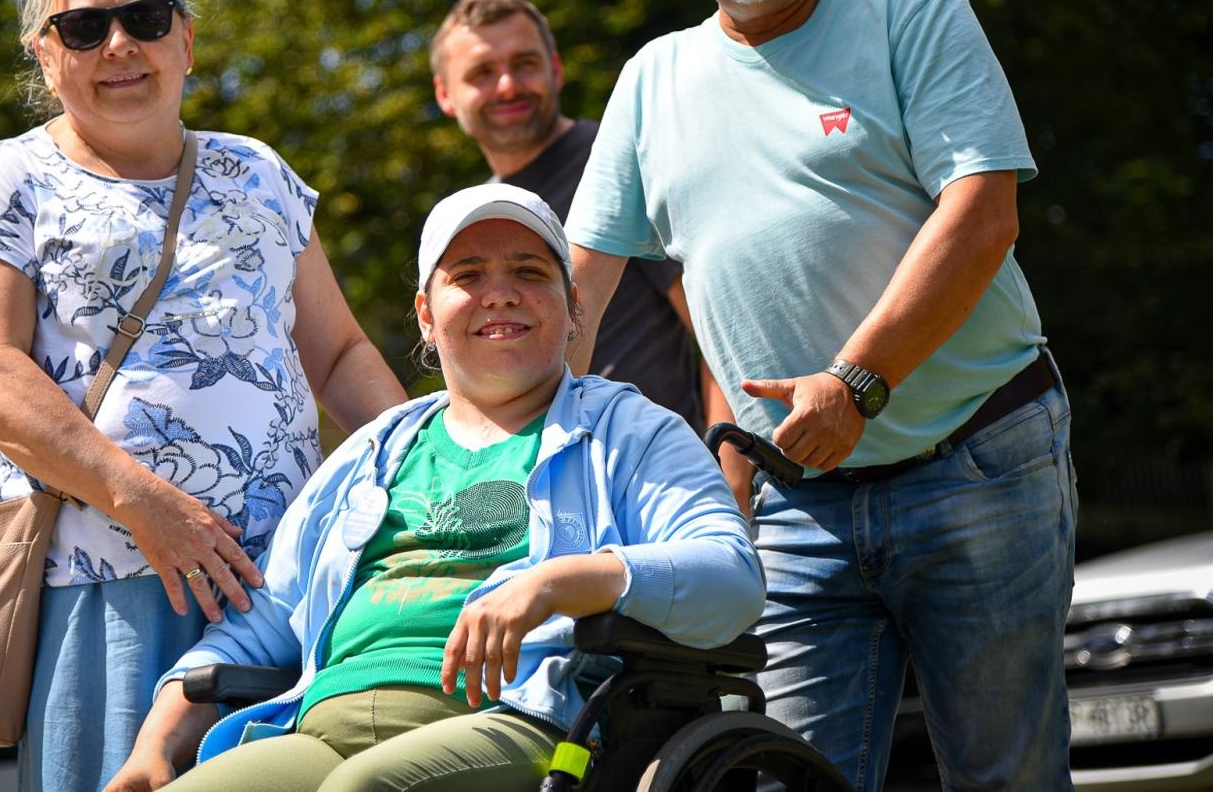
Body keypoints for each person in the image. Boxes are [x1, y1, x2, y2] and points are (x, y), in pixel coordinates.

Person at [564, 0, 1076, 790]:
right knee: (777, 778)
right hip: (793, 509)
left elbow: (980, 217)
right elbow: (574, 300)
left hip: (977, 457)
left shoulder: (913, 15)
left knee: (1003, 778)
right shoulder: (650, 80)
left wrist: (855, 384)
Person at [0, 0, 407, 791]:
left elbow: (335, 357)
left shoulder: (258, 170)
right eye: (84, 26)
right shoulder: (7, 177)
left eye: (145, 18)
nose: (119, 45)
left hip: (287, 581)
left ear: (183, 38)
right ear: (45, 53)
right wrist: (146, 503)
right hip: (115, 584)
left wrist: (428, 471)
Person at [105, 183, 764, 792]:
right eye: (468, 277)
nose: (500, 294)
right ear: (426, 313)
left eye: (531, 274)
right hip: (321, 722)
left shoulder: (630, 430)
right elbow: (264, 621)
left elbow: (730, 579)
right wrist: (154, 747)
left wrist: (559, 582)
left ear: (571, 308)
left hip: (523, 717)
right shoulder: (372, 450)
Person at [429, 0, 725, 432]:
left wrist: (730, 472)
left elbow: (718, 327)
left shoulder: (617, 165)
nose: (508, 84)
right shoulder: (477, 219)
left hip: (654, 470)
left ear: (556, 70)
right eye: (483, 73)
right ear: (446, 95)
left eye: (525, 63)